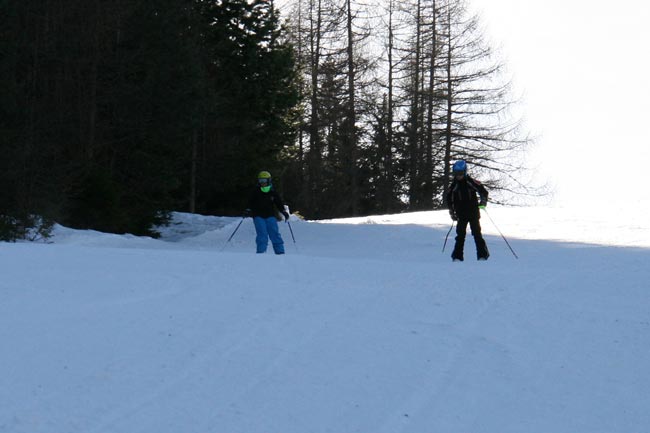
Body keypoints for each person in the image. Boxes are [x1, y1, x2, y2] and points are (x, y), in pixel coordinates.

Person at [445, 160, 490, 261]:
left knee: (477, 234)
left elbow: (483, 192)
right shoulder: (453, 186)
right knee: (460, 236)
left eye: (460, 173)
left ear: (465, 172)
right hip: (461, 214)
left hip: (473, 213)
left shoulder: (470, 182)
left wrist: (483, 203)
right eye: (456, 174)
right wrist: (452, 213)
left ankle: (483, 255)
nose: (458, 176)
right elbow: (449, 199)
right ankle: (457, 256)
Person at [244, 171, 290, 254]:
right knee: (262, 235)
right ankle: (261, 252)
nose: (262, 183)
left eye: (264, 180)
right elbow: (250, 202)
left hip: (270, 216)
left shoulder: (273, 192)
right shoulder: (255, 191)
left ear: (269, 180)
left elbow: (279, 203)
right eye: (260, 180)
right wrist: (248, 209)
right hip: (258, 216)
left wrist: (284, 212)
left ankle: (280, 252)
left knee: (275, 234)